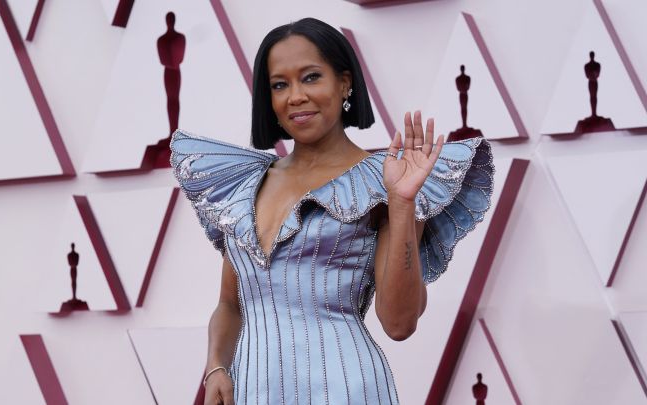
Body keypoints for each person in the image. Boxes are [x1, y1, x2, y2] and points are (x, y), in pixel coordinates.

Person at [170, 17, 494, 405]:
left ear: (344, 83)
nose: (295, 96)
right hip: (254, 390)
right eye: (279, 84)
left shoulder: (387, 181)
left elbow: (399, 323)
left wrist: (403, 205)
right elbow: (230, 304)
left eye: (310, 78)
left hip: (344, 389)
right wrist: (216, 367)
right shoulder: (244, 184)